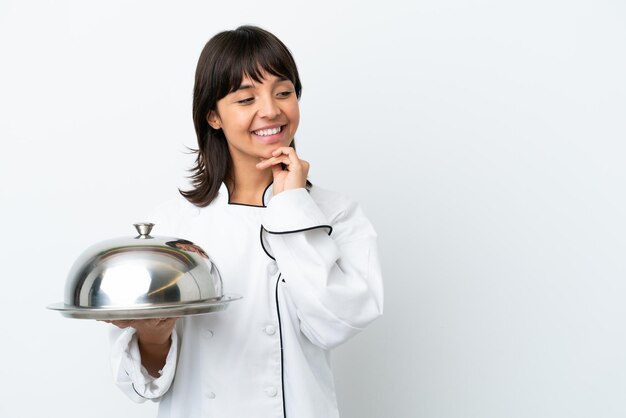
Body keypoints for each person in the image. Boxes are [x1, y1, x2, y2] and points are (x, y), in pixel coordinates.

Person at [107, 25, 383, 418]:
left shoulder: (336, 213)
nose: (271, 110)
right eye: (246, 98)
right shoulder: (171, 224)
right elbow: (141, 384)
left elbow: (338, 323)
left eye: (284, 92)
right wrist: (154, 337)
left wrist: (291, 205)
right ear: (213, 117)